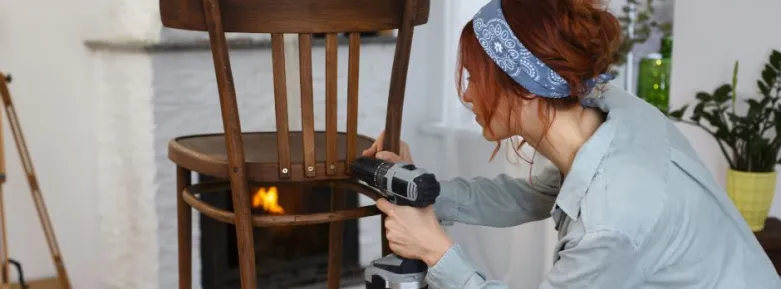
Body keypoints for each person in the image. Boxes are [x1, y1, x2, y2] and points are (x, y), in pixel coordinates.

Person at [360, 0, 781, 288]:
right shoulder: (608, 109)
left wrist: (437, 252)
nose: (467, 95)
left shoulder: (612, 216)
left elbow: (608, 218)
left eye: (475, 78)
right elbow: (530, 196)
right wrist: (424, 191)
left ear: (523, 87)